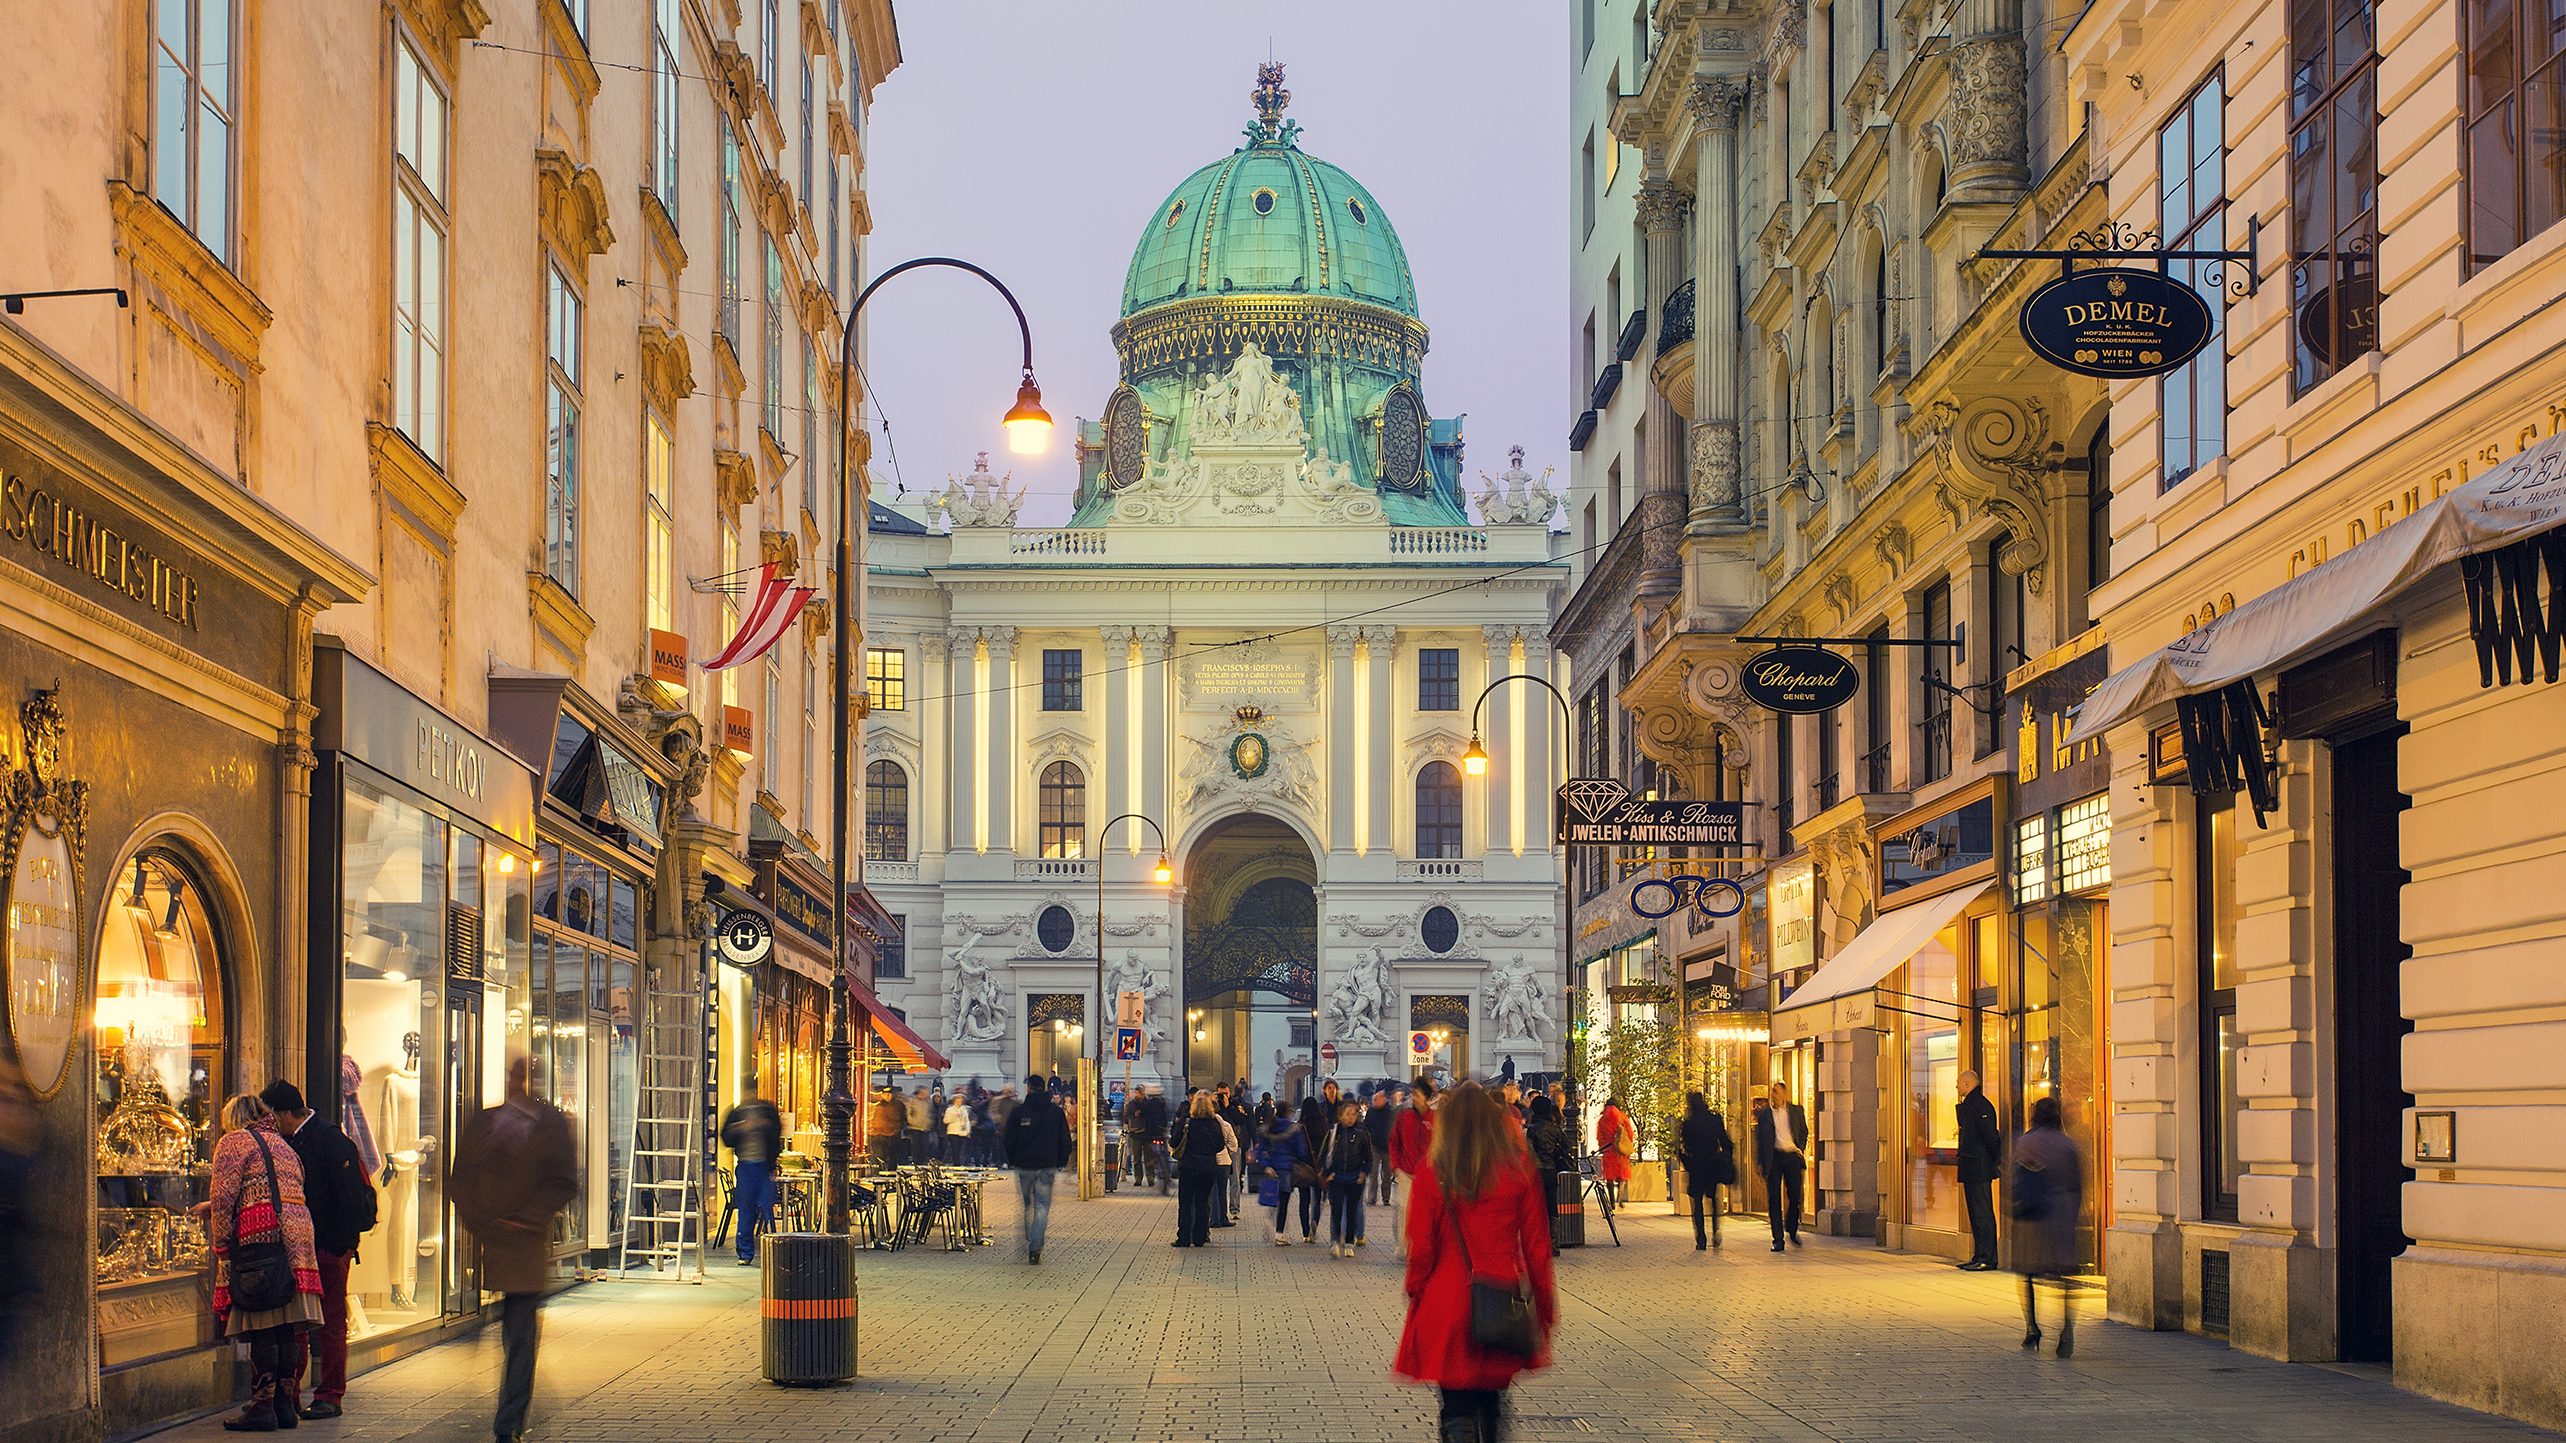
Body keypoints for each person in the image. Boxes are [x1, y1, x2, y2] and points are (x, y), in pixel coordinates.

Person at [1394, 1084, 1558, 1443]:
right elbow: (1536, 1248)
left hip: (1446, 1302)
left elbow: (1420, 1246)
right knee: (1493, 1399)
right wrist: (1544, 1307)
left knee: (1455, 1405)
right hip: (1501, 1300)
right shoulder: (1518, 1170)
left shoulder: (1433, 1172)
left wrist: (1416, 1289)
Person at [452, 1056, 577, 1443]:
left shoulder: (550, 1125)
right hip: (493, 1241)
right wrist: (480, 1221)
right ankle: (508, 1417)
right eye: (514, 1075)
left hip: (523, 1246)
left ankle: (509, 1423)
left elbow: (565, 1181)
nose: (518, 1083)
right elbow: (460, 1177)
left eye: (524, 1076)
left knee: (519, 1334)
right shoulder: (485, 1122)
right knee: (511, 1332)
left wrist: (528, 1218)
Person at [204, 1094, 324, 1432]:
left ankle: (261, 1407)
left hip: (261, 1239)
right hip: (298, 1240)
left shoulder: (234, 1142)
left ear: (234, 1118)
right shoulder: (284, 1146)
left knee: (262, 1323)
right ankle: (283, 1404)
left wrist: (222, 1244)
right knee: (287, 1326)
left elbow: (224, 1196)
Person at [258, 1080, 376, 1420]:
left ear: (282, 1114)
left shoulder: (328, 1139)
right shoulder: (295, 1140)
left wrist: (338, 1246)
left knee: (329, 1323)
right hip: (303, 1248)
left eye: (270, 1117)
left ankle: (329, 1395)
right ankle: (291, 1393)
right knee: (298, 1322)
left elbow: (350, 1199)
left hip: (325, 1248)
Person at [2013, 1095, 2085, 1356]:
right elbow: (2078, 1183)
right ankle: (2066, 1330)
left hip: (2034, 1217)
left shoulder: (2026, 1142)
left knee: (2029, 1274)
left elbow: (2017, 1181)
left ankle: (2032, 1327)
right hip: (2062, 1216)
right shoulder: (2068, 1145)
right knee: (2065, 1275)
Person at [1000, 1075, 1071, 1264]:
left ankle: (1031, 1240)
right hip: (1047, 1166)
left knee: (1027, 1206)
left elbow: (1009, 1139)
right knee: (1041, 1207)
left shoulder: (1019, 1112)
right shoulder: (1056, 1113)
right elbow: (1065, 1139)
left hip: (1024, 1166)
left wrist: (1013, 1160)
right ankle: (1035, 1246)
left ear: (1030, 1088)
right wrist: (1061, 1161)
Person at [719, 1087, 784, 1266]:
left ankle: (772, 1249)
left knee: (767, 1206)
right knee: (747, 1209)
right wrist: (742, 1128)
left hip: (763, 1166)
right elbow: (725, 1138)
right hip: (747, 1166)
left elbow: (776, 1134)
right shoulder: (738, 1113)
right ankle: (745, 1252)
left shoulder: (767, 1111)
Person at [1674, 1091, 1738, 1252]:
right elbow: (1725, 1142)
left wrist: (1687, 1163)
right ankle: (1716, 1231)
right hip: (1712, 1163)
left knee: (1697, 1204)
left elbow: (1683, 1147)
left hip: (1697, 1166)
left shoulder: (1689, 1123)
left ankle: (1701, 1239)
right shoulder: (1714, 1119)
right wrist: (1726, 1158)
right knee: (1713, 1198)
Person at [1955, 1069, 2004, 1271]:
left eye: (1959, 1083)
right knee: (1976, 1213)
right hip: (1973, 1165)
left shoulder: (1980, 1106)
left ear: (1968, 1084)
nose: (1956, 1086)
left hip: (1979, 1166)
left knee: (1982, 1212)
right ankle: (1980, 1255)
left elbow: (1990, 1138)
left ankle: (1987, 1257)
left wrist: (1994, 1160)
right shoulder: (1973, 1105)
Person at [1318, 1098, 1377, 1258]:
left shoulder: (1361, 1133)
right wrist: (1326, 1172)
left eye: (1354, 1114)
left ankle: (1349, 1242)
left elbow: (1368, 1158)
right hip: (1336, 1177)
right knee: (1336, 1211)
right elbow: (1324, 1155)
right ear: (1340, 1116)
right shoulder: (1333, 1133)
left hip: (1354, 1177)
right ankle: (1335, 1240)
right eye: (1348, 1114)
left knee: (1352, 1211)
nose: (1351, 1117)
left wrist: (1363, 1172)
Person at [1753, 1081, 1809, 1252]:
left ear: (1784, 1094)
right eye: (1772, 1093)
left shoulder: (1796, 1111)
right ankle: (1777, 1239)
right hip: (1774, 1158)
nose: (1774, 1096)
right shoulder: (1764, 1115)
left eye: (1776, 1092)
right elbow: (1760, 1141)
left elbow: (1803, 1131)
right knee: (1774, 1199)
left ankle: (1791, 1229)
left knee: (1794, 1196)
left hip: (1792, 1156)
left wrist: (1800, 1147)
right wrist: (1760, 1163)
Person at [1387, 1077, 1438, 1259]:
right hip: (1406, 1172)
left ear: (1426, 1097)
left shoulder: (1435, 1119)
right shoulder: (1404, 1116)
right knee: (1405, 1210)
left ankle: (1422, 1247)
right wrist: (1396, 1167)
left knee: (1426, 1213)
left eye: (1417, 1094)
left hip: (1428, 1174)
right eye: (1413, 1094)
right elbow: (1394, 1142)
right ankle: (1404, 1246)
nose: (1413, 1098)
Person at [1170, 1092, 1227, 1246]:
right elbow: (1220, 1145)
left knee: (1186, 1203)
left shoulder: (1187, 1122)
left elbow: (1174, 1141)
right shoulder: (1214, 1123)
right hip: (1208, 1168)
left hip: (1189, 1167)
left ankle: (1184, 1238)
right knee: (1203, 1202)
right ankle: (1199, 1237)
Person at [1251, 1103, 1312, 1245]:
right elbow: (1300, 1150)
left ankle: (1269, 1220)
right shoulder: (1293, 1128)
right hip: (1285, 1168)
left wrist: (1266, 1165)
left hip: (1271, 1168)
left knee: (1272, 1199)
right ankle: (1279, 1234)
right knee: (1284, 1202)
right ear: (1287, 1113)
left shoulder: (1268, 1127)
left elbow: (1261, 1149)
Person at [1521, 1095, 1574, 1258]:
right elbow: (1567, 1146)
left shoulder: (1533, 1129)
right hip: (1551, 1172)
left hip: (1535, 1173)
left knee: (1536, 1208)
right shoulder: (1555, 1128)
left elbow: (1527, 1153)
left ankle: (1537, 1243)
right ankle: (1554, 1243)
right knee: (1552, 1207)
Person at [1218, 1087, 1255, 1221]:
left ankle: (1234, 1208)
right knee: (1219, 1181)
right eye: (1221, 1094)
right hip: (1218, 1148)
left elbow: (1241, 1121)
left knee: (1235, 1179)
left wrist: (1228, 1107)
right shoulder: (1214, 1107)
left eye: (1226, 1093)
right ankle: (1219, 1211)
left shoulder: (1234, 1106)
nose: (1224, 1096)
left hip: (1234, 1146)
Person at [1594, 1096, 1636, 1210]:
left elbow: (1599, 1136)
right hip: (1620, 1151)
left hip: (1608, 1150)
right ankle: (1620, 1197)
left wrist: (1602, 1146)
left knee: (1610, 1177)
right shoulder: (1622, 1117)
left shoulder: (1602, 1119)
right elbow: (1630, 1133)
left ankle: (1611, 1202)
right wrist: (1628, 1144)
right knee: (1622, 1175)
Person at [1366, 1089, 1400, 1207]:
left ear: (1384, 1099)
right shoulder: (1371, 1112)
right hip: (1374, 1145)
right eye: (1374, 1100)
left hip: (1388, 1146)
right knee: (1373, 1173)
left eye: (1377, 1099)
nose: (1375, 1102)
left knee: (1387, 1175)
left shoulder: (1390, 1112)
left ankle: (1386, 1198)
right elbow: (1366, 1127)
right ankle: (1372, 1198)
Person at [865, 1087, 903, 1170]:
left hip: (893, 1135)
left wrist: (896, 1130)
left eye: (889, 1094)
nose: (888, 1096)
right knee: (880, 1154)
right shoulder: (878, 1106)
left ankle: (891, 1170)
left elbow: (903, 1120)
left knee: (893, 1155)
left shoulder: (899, 1106)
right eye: (886, 1094)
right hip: (880, 1134)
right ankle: (881, 1170)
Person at [942, 1091, 972, 1165]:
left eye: (961, 1100)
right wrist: (954, 1117)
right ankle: (956, 1162)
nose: (960, 1102)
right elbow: (945, 1120)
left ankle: (961, 1162)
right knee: (955, 1148)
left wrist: (968, 1130)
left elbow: (967, 1120)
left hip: (962, 1131)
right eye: (958, 1100)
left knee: (961, 1148)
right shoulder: (950, 1110)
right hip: (953, 1131)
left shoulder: (964, 1109)